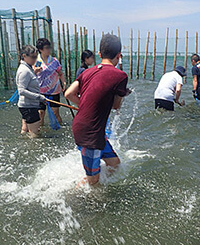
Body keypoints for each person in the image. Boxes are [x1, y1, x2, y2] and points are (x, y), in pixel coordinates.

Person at [65, 34, 129, 185]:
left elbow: (68, 93)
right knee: (93, 181)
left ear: (99, 54)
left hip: (91, 129)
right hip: (90, 133)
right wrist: (122, 94)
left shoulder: (87, 72)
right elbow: (116, 106)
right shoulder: (120, 76)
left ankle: (94, 181)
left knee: (114, 163)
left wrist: (86, 107)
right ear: (119, 56)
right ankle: (74, 196)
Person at [16, 45, 46, 138]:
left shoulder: (28, 68)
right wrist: (39, 97)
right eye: (33, 57)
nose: (35, 59)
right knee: (35, 134)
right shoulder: (24, 71)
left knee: (25, 130)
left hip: (28, 105)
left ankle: (23, 148)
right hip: (28, 106)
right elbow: (21, 91)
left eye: (36, 56)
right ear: (24, 56)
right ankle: (33, 150)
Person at [35, 38, 66, 126]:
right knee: (41, 113)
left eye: (49, 47)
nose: (49, 50)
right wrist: (35, 71)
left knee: (55, 113)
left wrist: (64, 83)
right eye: (46, 48)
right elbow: (31, 75)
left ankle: (60, 129)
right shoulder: (36, 61)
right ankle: (41, 132)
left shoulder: (54, 61)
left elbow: (60, 73)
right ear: (40, 50)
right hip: (40, 91)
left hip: (54, 91)